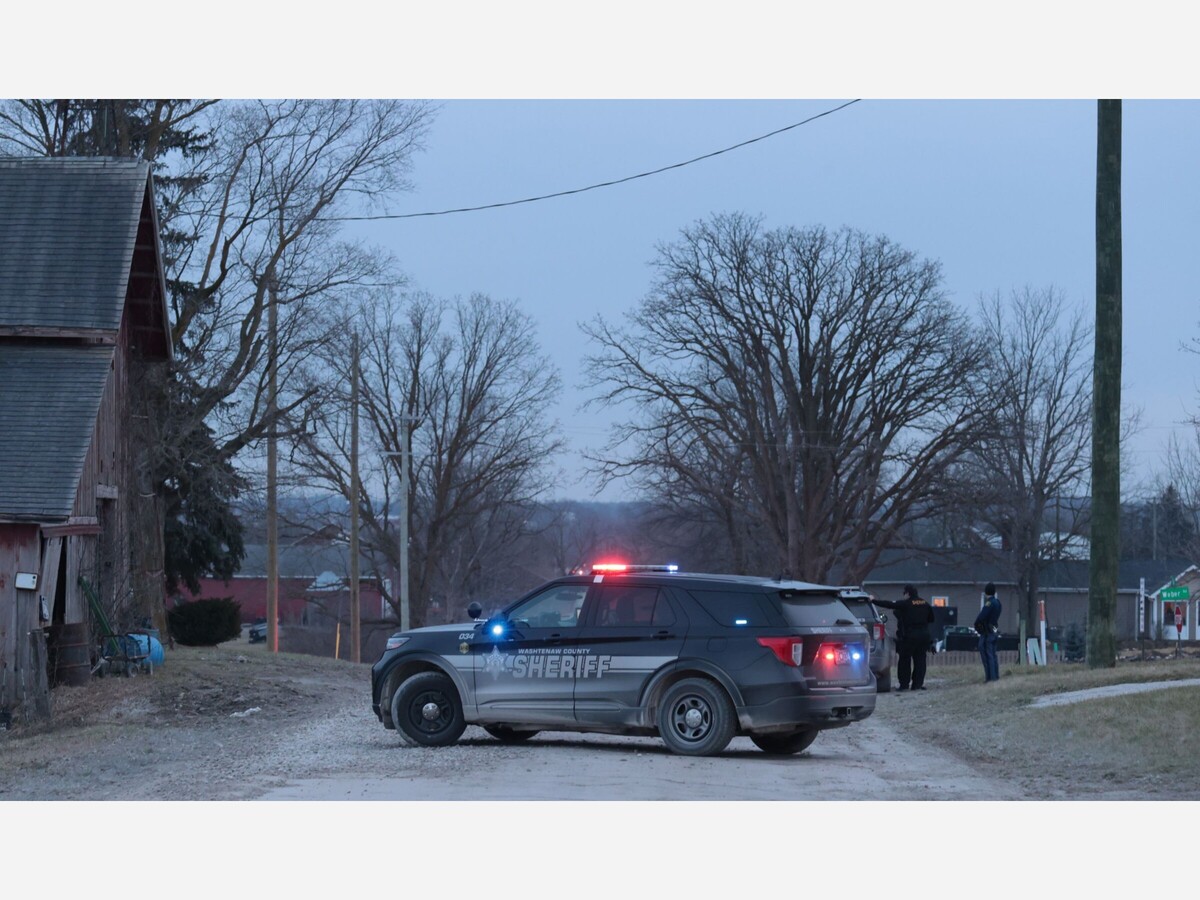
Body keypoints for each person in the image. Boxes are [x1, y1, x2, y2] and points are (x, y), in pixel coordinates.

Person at [874, 584, 935, 691]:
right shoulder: (925, 603)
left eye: (904, 594)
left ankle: (904, 685)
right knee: (920, 660)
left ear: (907, 593)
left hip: (910, 636)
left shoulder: (906, 604)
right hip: (924, 636)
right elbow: (931, 619)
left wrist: (873, 601)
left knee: (904, 660)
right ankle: (917, 685)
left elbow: (889, 604)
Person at [974, 582, 1002, 682]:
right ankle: (996, 676)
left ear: (986, 592)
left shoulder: (989, 603)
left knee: (987, 654)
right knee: (993, 655)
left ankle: (990, 678)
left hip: (987, 632)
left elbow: (981, 617)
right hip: (994, 630)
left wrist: (977, 625)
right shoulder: (998, 602)